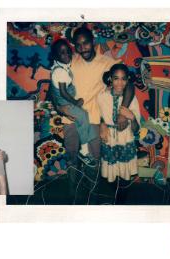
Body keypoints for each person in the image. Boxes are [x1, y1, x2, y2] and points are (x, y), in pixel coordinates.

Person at [63, 26, 135, 164]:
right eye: (78, 45)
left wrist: (123, 112)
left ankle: (92, 187)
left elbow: (129, 85)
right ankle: (73, 187)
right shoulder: (70, 61)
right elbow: (54, 87)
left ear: (93, 41)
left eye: (86, 43)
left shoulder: (107, 63)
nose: (82, 48)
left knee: (94, 161)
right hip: (70, 118)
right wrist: (60, 108)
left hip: (93, 120)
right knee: (71, 160)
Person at [48, 39, 97, 167]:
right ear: (55, 56)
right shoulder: (60, 71)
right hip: (66, 103)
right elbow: (63, 92)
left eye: (68, 52)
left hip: (67, 102)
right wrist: (74, 102)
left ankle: (86, 142)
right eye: (62, 53)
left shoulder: (63, 66)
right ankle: (84, 151)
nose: (67, 55)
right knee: (82, 116)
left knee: (85, 116)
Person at [98, 64, 140, 183]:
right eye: (116, 78)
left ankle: (121, 200)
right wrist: (102, 123)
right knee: (110, 177)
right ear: (110, 79)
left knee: (124, 177)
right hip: (109, 140)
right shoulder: (102, 96)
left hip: (125, 140)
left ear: (127, 80)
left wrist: (132, 117)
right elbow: (99, 115)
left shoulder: (132, 99)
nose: (120, 83)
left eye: (123, 79)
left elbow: (136, 129)